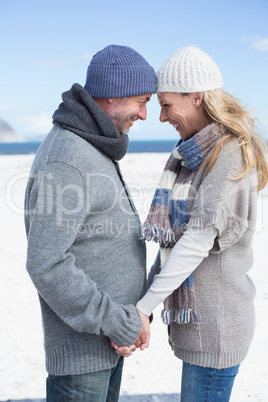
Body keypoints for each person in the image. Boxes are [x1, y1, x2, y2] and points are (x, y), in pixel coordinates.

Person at [116, 46, 268, 401]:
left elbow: (195, 243)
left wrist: (144, 307)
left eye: (168, 105)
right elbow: (173, 245)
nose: (162, 117)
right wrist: (146, 303)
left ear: (196, 97)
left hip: (218, 329)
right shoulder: (192, 155)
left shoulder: (228, 154)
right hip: (204, 326)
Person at [24, 44, 156, 402]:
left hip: (108, 343)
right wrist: (117, 321)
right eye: (142, 101)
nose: (145, 114)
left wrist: (128, 319)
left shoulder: (92, 145)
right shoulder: (69, 158)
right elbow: (45, 262)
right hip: (84, 356)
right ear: (113, 97)